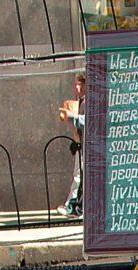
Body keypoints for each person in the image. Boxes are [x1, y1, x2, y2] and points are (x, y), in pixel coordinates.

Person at [57, 73, 85, 217]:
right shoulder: (79, 101)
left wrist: (71, 116)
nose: (77, 87)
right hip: (81, 143)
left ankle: (73, 206)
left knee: (80, 176)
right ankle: (76, 206)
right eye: (75, 84)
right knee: (79, 174)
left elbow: (89, 121)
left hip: (88, 146)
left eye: (80, 84)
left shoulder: (89, 102)